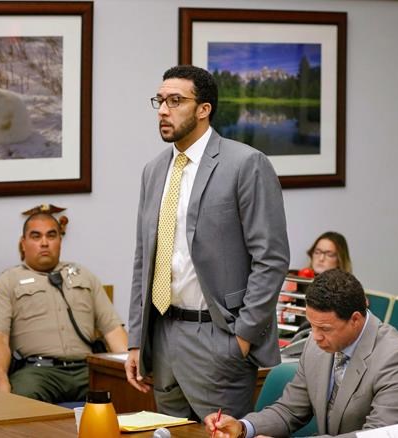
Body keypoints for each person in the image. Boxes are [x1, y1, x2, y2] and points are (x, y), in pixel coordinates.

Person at [125, 65, 289, 420]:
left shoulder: (246, 164)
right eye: (160, 100)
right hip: (163, 337)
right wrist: (136, 340)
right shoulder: (154, 170)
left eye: (175, 101)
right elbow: (144, 260)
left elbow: (271, 258)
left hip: (219, 338)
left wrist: (242, 337)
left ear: (204, 109)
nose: (163, 110)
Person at [206, 269, 398, 438]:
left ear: (355, 320)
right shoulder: (316, 344)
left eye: (325, 329)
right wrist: (243, 427)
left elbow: (378, 435)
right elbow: (290, 410)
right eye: (312, 325)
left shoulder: (396, 358)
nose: (316, 336)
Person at [0, 212, 128, 403]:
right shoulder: (6, 282)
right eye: (36, 236)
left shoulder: (83, 276)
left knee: (127, 396)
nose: (44, 243)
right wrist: (0, 381)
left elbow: (113, 330)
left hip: (85, 369)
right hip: (37, 373)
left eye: (51, 236)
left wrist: (130, 369)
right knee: (21, 403)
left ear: (60, 240)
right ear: (23, 243)